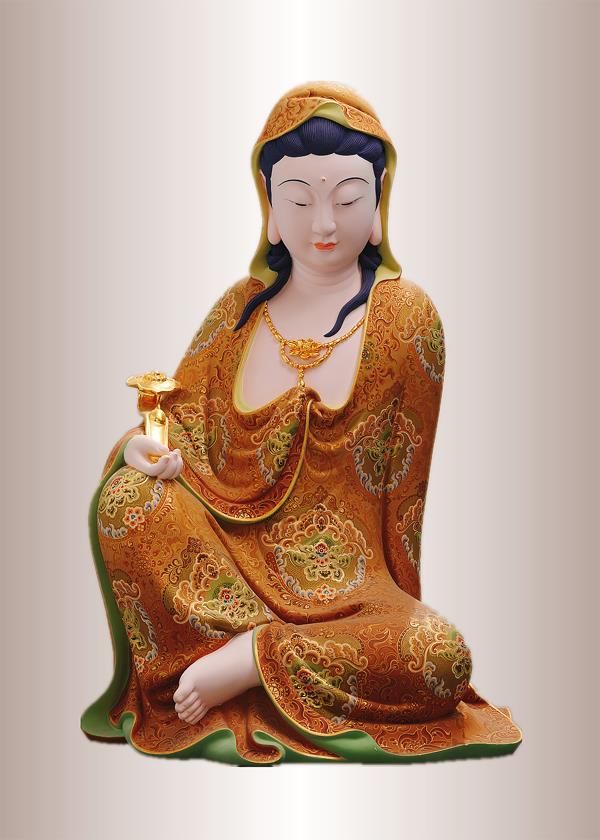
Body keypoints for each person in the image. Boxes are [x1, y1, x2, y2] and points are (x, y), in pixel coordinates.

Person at [81, 81, 523, 765]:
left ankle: (252, 660)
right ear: (269, 209)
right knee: (126, 502)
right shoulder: (241, 310)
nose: (323, 223)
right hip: (224, 569)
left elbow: (405, 506)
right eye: (298, 199)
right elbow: (182, 429)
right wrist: (142, 449)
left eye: (347, 200)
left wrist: (392, 618)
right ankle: (240, 651)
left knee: (439, 657)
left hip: (349, 596)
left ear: (378, 206)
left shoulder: (406, 320)